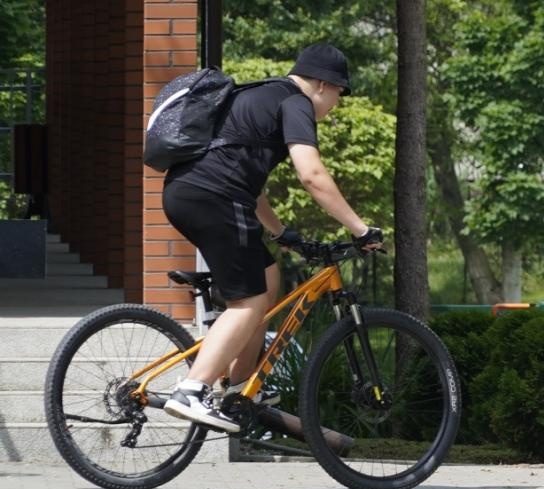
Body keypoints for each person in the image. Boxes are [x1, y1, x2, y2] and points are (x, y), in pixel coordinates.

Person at [160, 43, 383, 433]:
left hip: (188, 193)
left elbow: (253, 189)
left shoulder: (258, 95)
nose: (336, 105)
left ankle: (239, 391)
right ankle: (193, 390)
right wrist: (360, 229)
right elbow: (311, 175)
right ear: (321, 84)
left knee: (267, 279)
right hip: (214, 198)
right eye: (338, 95)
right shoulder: (295, 103)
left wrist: (282, 234)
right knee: (249, 303)